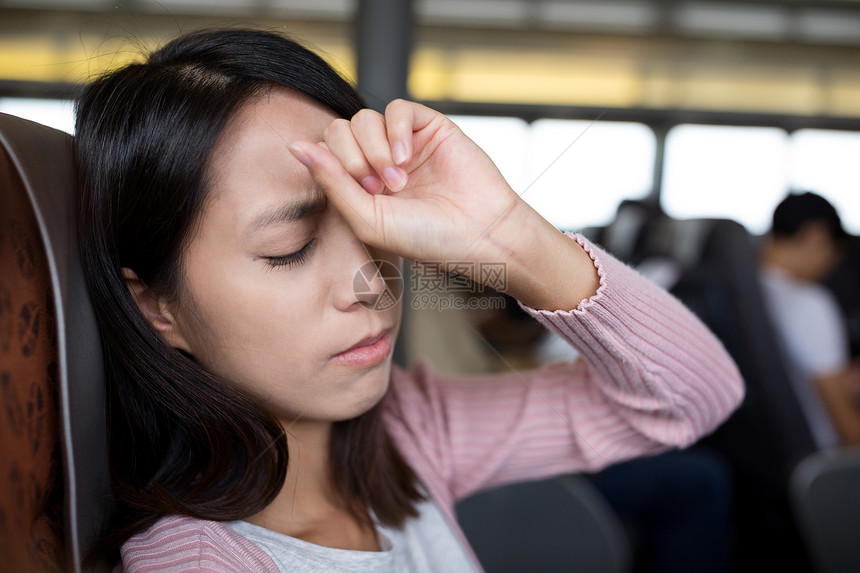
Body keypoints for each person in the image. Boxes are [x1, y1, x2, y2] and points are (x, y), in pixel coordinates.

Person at [74, 28, 744, 572]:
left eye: (373, 223)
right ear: (157, 308)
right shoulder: (199, 562)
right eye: (290, 247)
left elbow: (693, 396)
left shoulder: (412, 434)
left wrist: (505, 233)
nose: (370, 281)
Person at [760, 192, 860, 448]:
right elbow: (848, 431)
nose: (829, 267)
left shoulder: (749, 292)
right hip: (826, 466)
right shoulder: (808, 304)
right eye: (834, 255)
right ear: (816, 236)